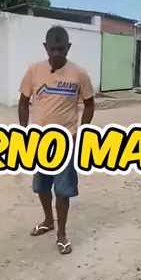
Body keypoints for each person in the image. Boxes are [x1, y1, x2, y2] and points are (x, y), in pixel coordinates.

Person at [18, 25, 95, 255]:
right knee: (42, 186)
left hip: (66, 141)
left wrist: (83, 132)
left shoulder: (79, 74)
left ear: (68, 48)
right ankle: (48, 220)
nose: (57, 54)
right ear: (45, 47)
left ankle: (61, 233)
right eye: (52, 49)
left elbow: (89, 104)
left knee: (62, 190)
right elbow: (23, 103)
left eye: (61, 49)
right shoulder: (34, 71)